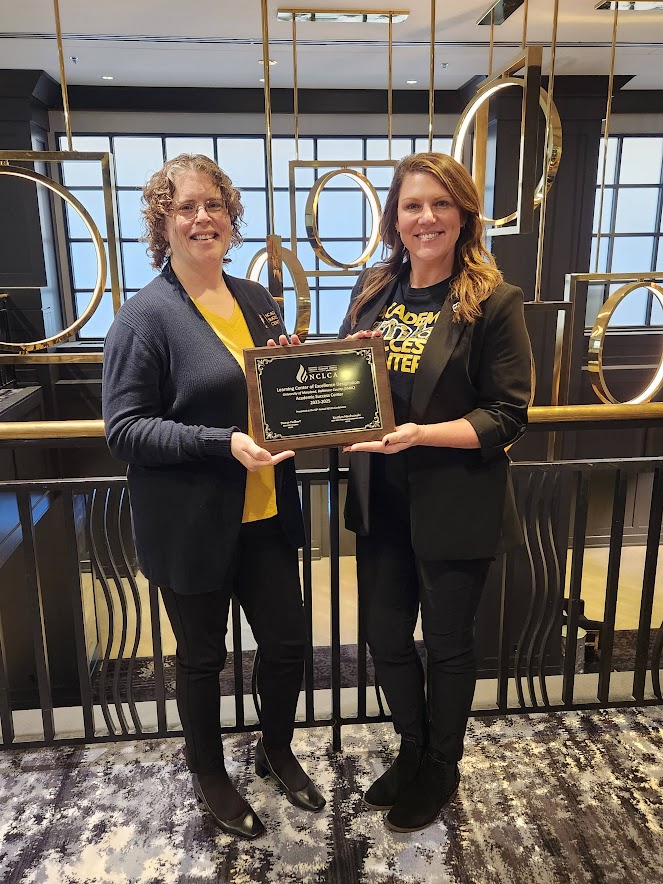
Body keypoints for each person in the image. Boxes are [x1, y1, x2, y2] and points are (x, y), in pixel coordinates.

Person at [102, 154, 324, 840]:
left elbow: (269, 390)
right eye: (185, 208)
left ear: (231, 218)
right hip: (192, 523)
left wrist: (302, 371)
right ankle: (207, 772)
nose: (203, 218)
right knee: (202, 659)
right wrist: (218, 441)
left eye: (214, 206)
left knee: (287, 644)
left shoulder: (257, 298)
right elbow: (125, 428)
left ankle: (274, 748)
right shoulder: (145, 317)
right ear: (162, 224)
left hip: (264, 513)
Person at [339, 152, 532, 833]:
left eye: (439, 205)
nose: (425, 218)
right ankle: (412, 748)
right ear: (395, 217)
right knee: (386, 638)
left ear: (461, 215)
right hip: (380, 501)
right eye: (412, 205)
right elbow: (342, 390)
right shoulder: (370, 293)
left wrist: (422, 433)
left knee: (446, 644)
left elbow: (506, 415)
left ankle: (441, 766)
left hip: (456, 502)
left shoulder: (493, 301)